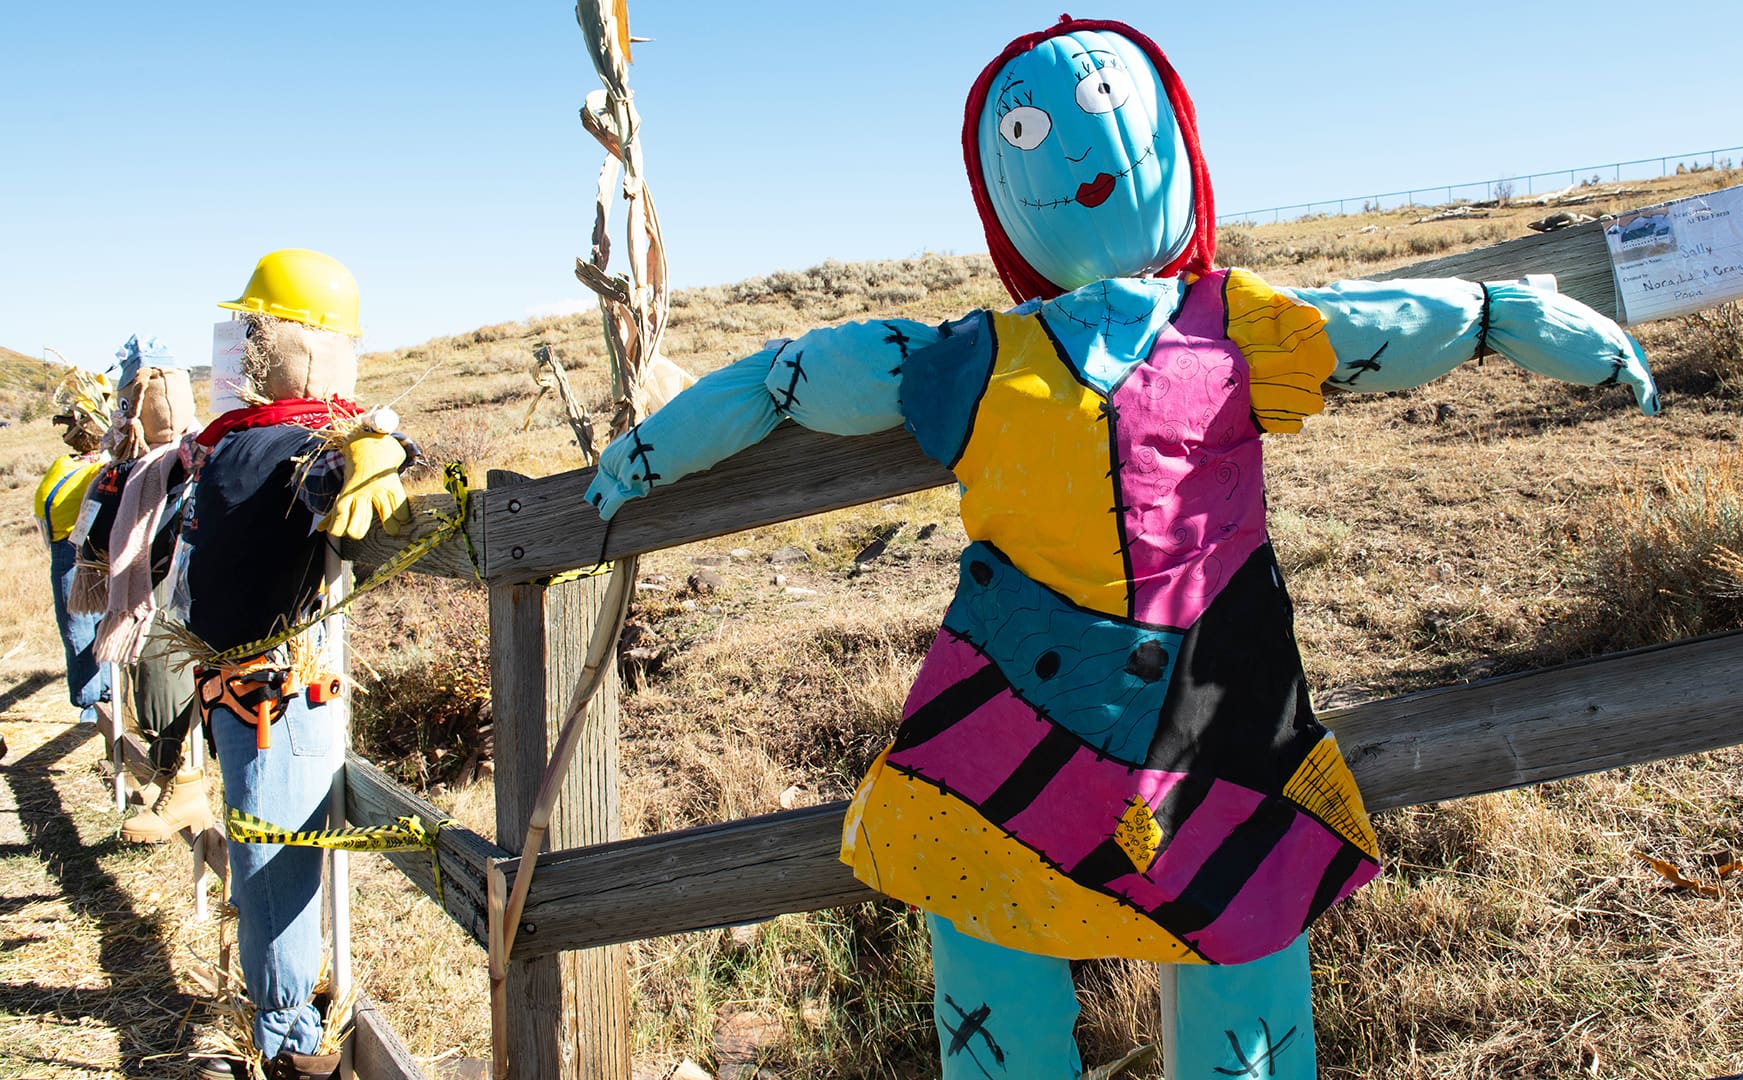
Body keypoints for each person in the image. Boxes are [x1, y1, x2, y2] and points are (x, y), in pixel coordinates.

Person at [586, 17, 1660, 1080]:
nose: (1078, 153)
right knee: (997, 950)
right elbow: (788, 376)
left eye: (1111, 110)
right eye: (1026, 132)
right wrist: (650, 452)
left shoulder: (1236, 324)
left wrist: (1504, 314)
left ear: (1168, 138)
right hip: (1017, 707)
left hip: (1212, 705)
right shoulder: (973, 358)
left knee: (1237, 964)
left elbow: (1384, 324)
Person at [173, 249, 410, 1080]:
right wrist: (379, 441)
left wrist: (381, 445)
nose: (243, 342)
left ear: (289, 337)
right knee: (269, 861)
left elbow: (350, 477)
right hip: (257, 699)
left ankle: (287, 1037)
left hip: (258, 696)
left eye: (253, 325)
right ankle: (286, 1041)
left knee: (270, 862)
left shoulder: (279, 445)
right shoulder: (264, 445)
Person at [70, 337, 210, 842]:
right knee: (154, 687)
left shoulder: (180, 463)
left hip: (175, 602)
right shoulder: (129, 469)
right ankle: (176, 778)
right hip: (156, 596)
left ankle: (183, 780)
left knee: (165, 680)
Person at [32, 370, 113, 725]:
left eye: (71, 422)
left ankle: (94, 697)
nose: (64, 428)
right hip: (65, 546)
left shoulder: (103, 465)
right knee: (79, 620)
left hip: (80, 549)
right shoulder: (70, 463)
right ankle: (95, 693)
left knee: (85, 621)